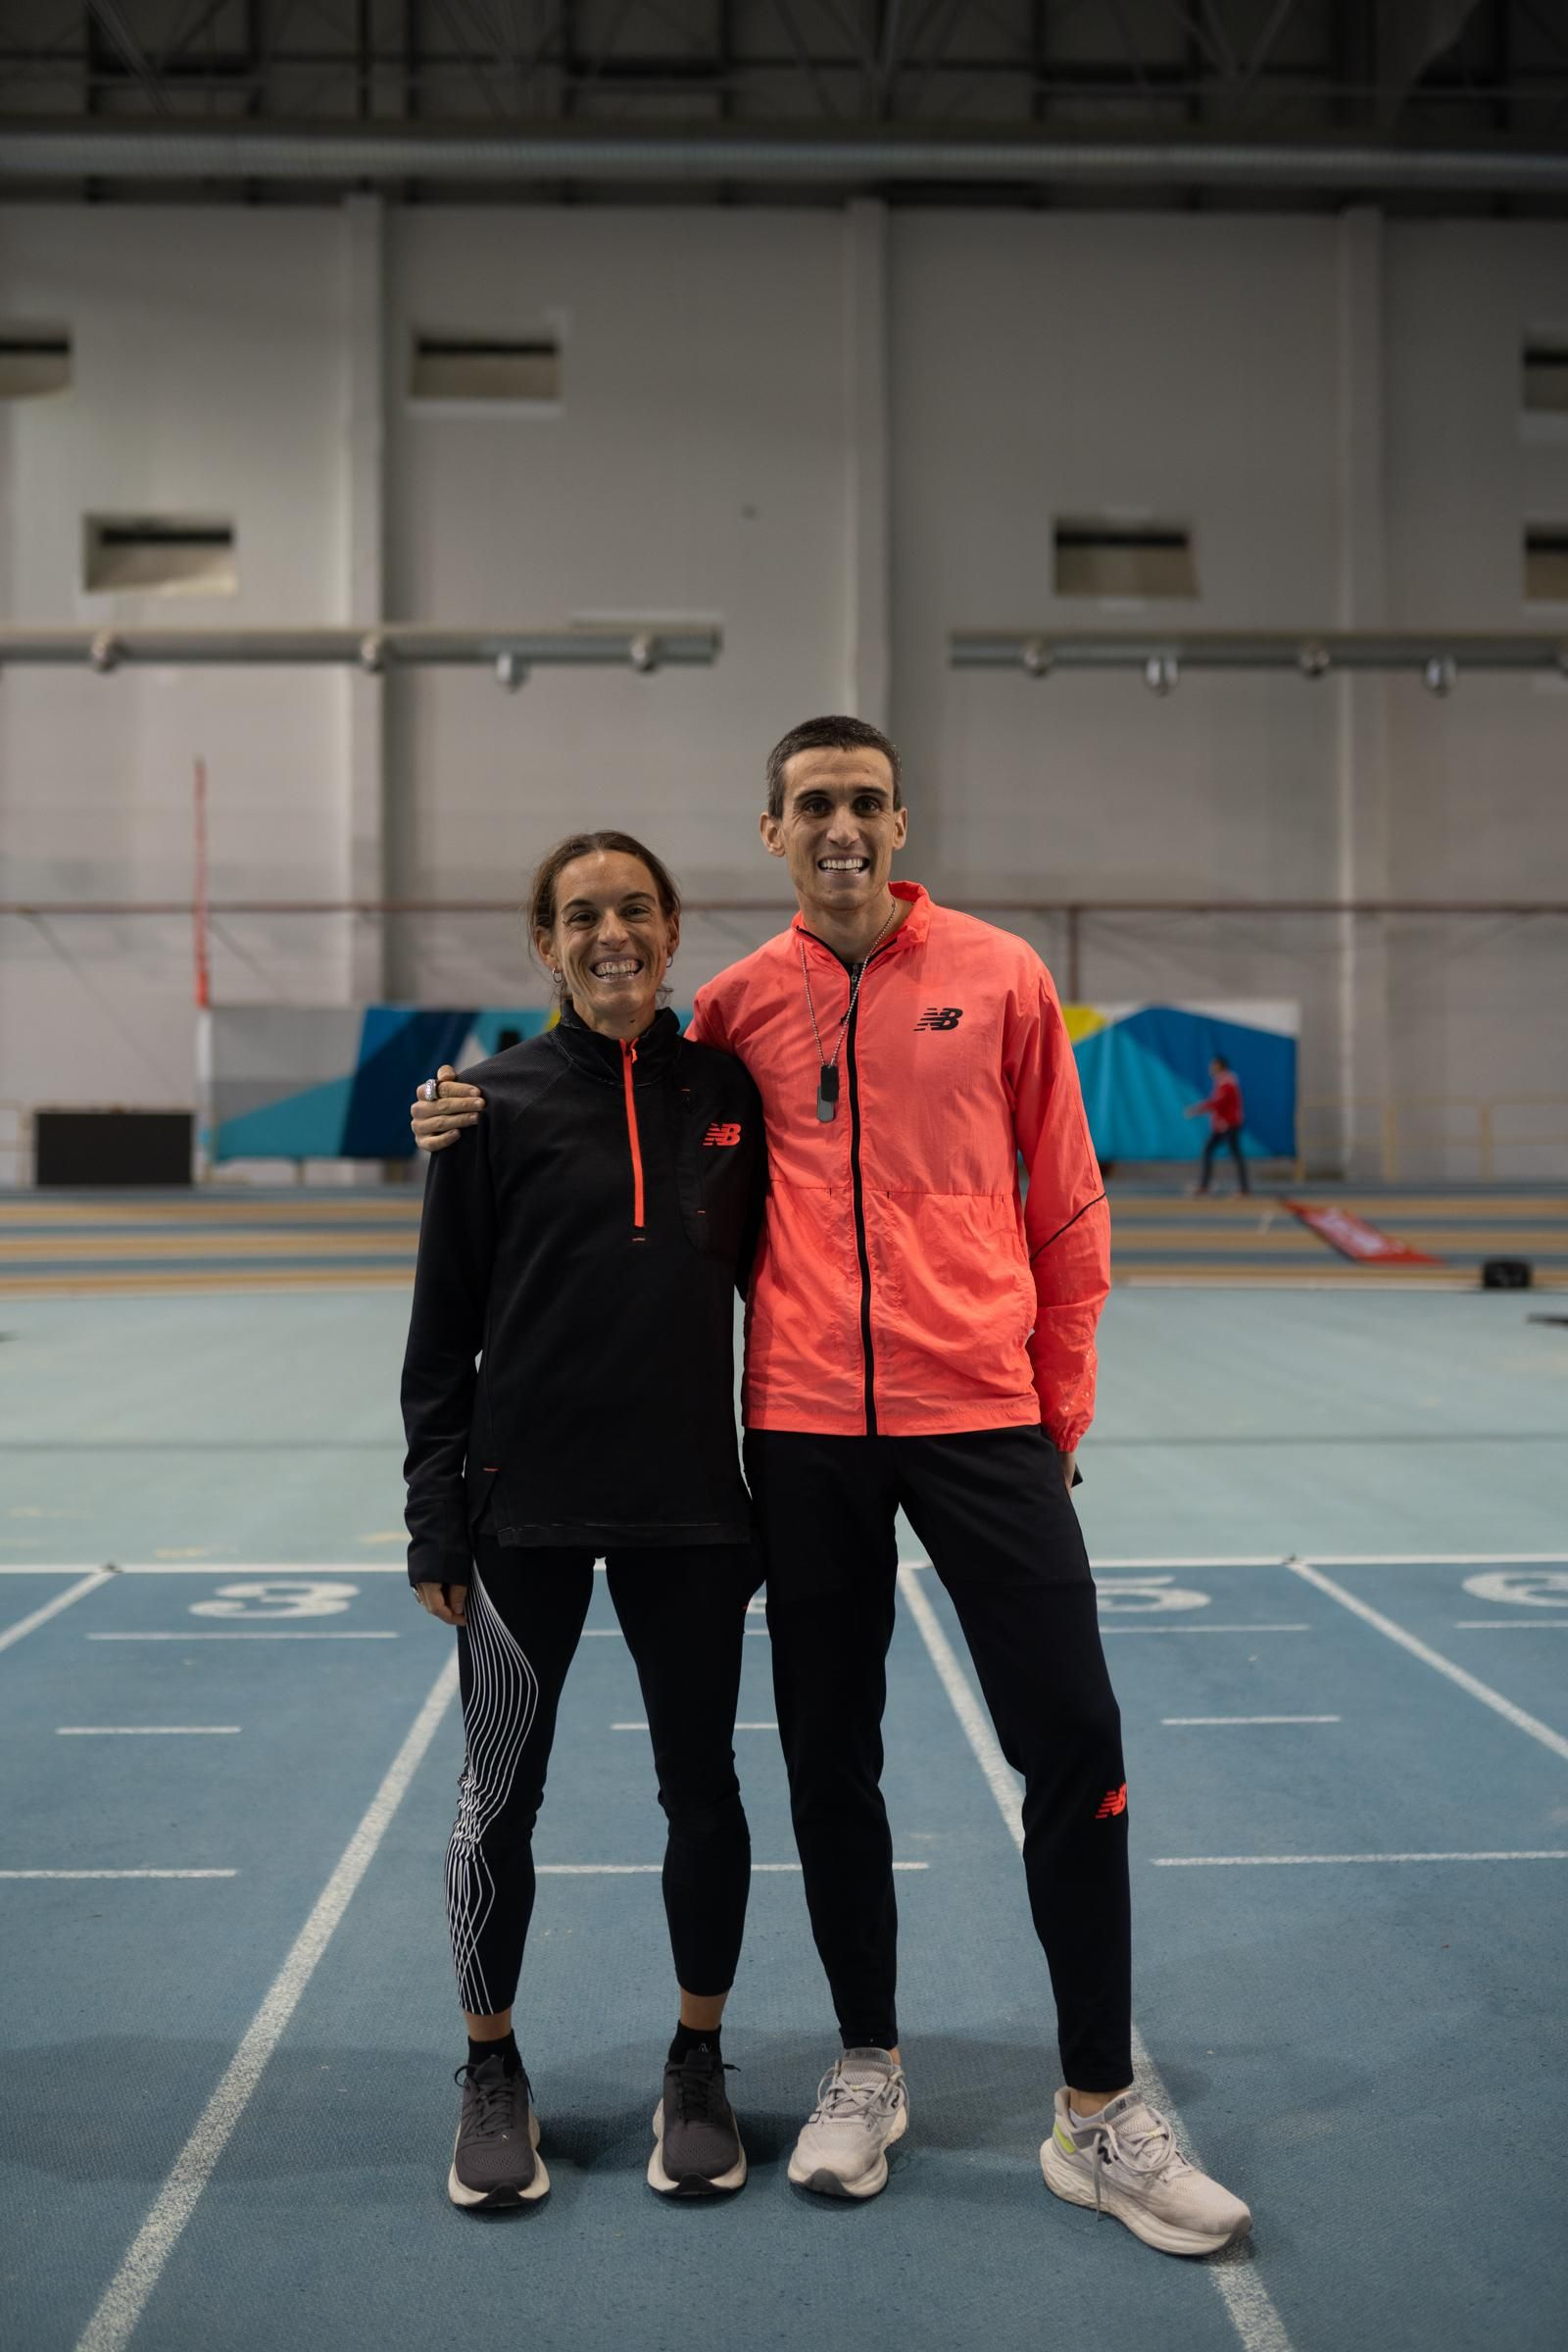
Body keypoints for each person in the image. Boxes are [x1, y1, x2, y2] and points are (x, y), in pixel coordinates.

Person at [412, 720, 1250, 2256]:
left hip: (981, 1419)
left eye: (865, 800)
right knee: (824, 1759)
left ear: (900, 822)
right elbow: (589, 1109)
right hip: (800, 1434)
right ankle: (866, 2059)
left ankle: (1097, 2109)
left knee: (1076, 1737)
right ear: (774, 834)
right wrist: (456, 1107)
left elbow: (1068, 1205)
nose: (842, 824)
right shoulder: (737, 1011)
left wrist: (1057, 1408)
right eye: (814, 804)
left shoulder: (1000, 978)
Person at [402, 828, 764, 2211]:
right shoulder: (483, 1106)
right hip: (523, 1518)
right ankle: (491, 2071)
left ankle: (698, 2061)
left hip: (694, 1513)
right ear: (544, 945)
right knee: (496, 1799)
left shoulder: (729, 1092)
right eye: (580, 915)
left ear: (671, 929)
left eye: (634, 909)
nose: (611, 933)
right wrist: (436, 1520)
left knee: (705, 1793)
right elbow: (439, 1336)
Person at [1185, 1054, 1250, 1196]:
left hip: (1230, 1125)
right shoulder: (1222, 1081)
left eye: (1213, 1065)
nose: (1210, 1068)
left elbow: (1219, 1103)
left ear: (1220, 1066)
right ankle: (1205, 1185)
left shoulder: (1227, 1082)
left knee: (1234, 1154)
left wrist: (1197, 1109)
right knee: (1209, 1149)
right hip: (1222, 1126)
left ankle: (1243, 1189)